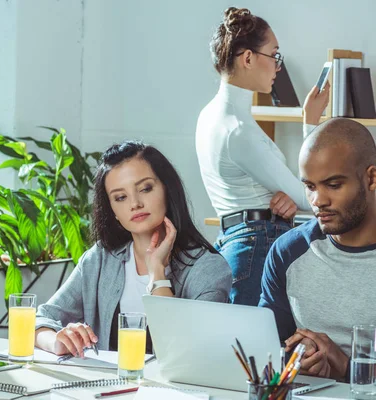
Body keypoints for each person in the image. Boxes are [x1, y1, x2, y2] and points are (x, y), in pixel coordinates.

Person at [34, 141, 232, 358]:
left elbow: (185, 355)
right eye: (120, 197)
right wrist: (57, 342)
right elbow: (39, 319)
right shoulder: (100, 259)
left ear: (168, 189)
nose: (135, 203)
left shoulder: (209, 269)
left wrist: (157, 273)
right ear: (113, 210)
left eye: (145, 188)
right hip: (105, 390)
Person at [195, 7, 330, 305]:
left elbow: (295, 196)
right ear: (248, 58)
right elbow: (310, 196)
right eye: (274, 55)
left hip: (237, 241)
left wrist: (288, 200)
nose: (277, 67)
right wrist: (310, 124)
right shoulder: (238, 130)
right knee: (251, 347)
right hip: (256, 245)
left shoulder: (211, 115)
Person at [259, 118, 376, 381]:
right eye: (310, 187)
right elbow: (268, 348)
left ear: (371, 177)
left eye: (333, 185)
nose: (318, 201)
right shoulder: (288, 252)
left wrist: (346, 367)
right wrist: (301, 356)